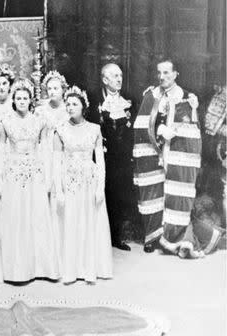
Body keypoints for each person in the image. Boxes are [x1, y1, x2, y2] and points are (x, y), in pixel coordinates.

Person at [133, 59, 219, 257]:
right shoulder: (150, 95)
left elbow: (193, 130)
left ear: (176, 74)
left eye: (166, 73)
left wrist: (175, 133)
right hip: (153, 152)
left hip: (175, 152)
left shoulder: (186, 97)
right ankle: (153, 237)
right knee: (154, 192)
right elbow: (141, 125)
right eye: (159, 73)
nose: (162, 77)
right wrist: (158, 131)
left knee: (173, 194)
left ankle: (173, 236)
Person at [0, 79, 60, 282]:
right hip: (13, 171)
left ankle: (41, 268)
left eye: (25, 98)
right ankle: (14, 269)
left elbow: (46, 150)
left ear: (30, 99)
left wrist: (48, 177)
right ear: (13, 100)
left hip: (35, 171)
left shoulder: (40, 121)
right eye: (18, 98)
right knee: (15, 216)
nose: (22, 101)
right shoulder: (5, 122)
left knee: (37, 216)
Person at [53, 87, 113, 284]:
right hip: (69, 180)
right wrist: (59, 190)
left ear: (83, 107)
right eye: (68, 104)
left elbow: (101, 162)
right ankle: (71, 270)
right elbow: (56, 163)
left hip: (90, 180)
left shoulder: (95, 129)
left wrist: (100, 188)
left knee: (89, 223)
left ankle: (89, 268)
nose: (70, 107)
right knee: (71, 222)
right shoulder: (59, 130)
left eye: (74, 104)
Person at [87, 63, 137, 251]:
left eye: (120, 76)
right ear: (104, 79)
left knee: (119, 197)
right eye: (114, 76)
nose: (119, 79)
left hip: (123, 159)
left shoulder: (130, 100)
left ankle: (116, 237)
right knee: (101, 195)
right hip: (101, 157)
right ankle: (99, 237)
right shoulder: (93, 99)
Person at [34, 70, 70, 146]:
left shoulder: (69, 108)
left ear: (63, 89)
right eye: (49, 89)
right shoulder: (40, 110)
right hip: (45, 147)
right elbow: (35, 135)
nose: (52, 92)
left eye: (55, 88)